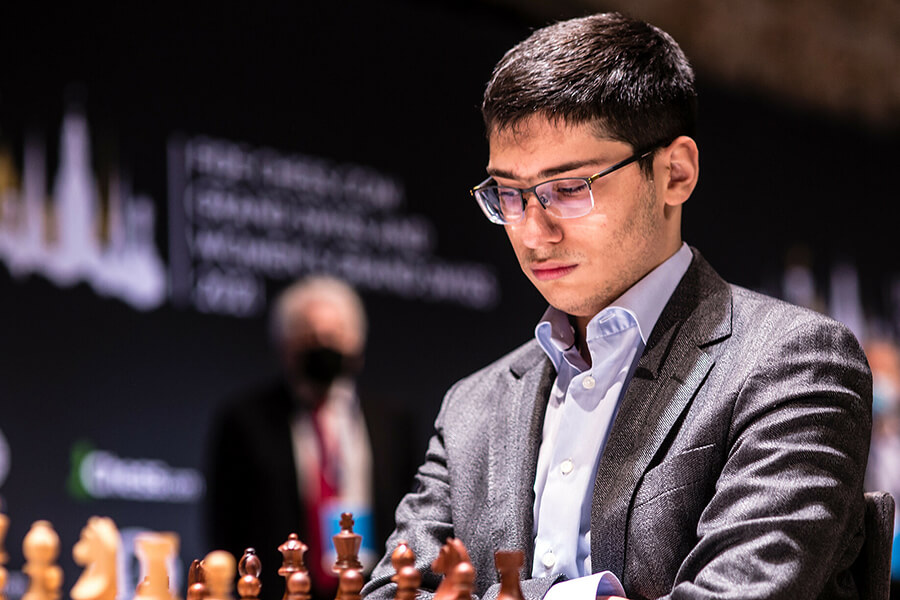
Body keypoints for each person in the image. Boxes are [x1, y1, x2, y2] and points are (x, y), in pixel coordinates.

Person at [361, 12, 872, 600]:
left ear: (675, 173)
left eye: (570, 188)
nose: (533, 232)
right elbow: (387, 593)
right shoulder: (473, 404)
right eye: (509, 194)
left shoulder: (792, 365)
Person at [206, 275, 375, 600]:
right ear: (286, 347)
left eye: (334, 334)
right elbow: (225, 522)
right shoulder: (245, 421)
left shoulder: (390, 421)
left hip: (367, 587)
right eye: (309, 336)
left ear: (356, 344)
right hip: (280, 589)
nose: (322, 344)